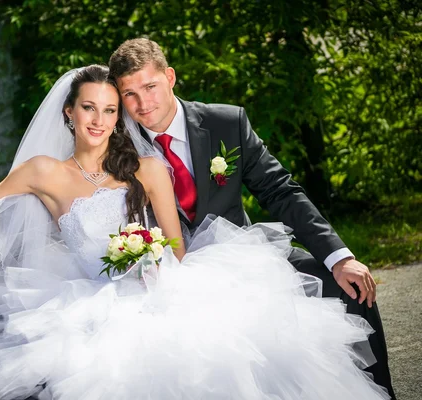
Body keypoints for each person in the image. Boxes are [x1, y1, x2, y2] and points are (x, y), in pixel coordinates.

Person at [0, 65, 390, 399]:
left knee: (230, 354)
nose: (100, 119)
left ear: (120, 119)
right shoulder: (42, 171)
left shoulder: (145, 168)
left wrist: (155, 259)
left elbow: (176, 248)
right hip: (90, 300)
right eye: (89, 108)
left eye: (110, 110)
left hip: (168, 286)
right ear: (68, 112)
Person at [108, 38, 395, 398]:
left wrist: (341, 257)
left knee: (352, 288)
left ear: (170, 77)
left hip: (242, 262)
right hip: (168, 276)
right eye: (129, 94)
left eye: (150, 86)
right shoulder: (117, 146)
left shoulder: (225, 123)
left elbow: (279, 190)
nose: (142, 103)